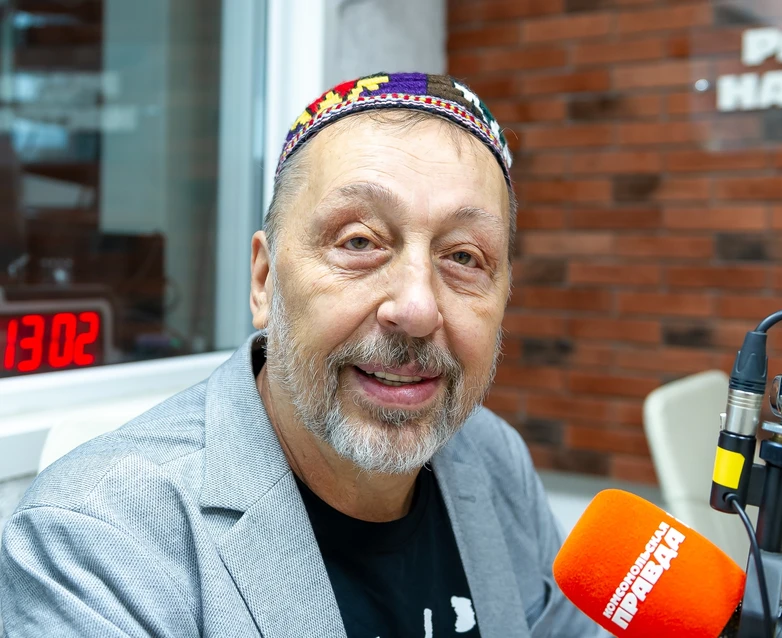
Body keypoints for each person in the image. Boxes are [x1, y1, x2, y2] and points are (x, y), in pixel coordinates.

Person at [0, 72, 608, 638]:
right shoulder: (94, 542)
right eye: (359, 242)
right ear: (264, 282)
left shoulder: (494, 458)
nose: (418, 307)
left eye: (464, 257)